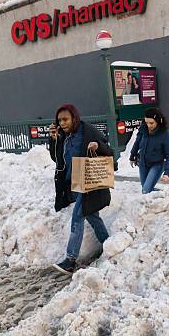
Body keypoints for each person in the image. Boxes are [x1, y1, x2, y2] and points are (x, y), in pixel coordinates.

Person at [49, 104, 113, 275]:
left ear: (74, 118)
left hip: (89, 182)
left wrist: (97, 146)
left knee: (77, 217)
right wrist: (54, 140)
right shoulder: (63, 135)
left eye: (65, 119)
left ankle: (70, 260)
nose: (62, 123)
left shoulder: (88, 131)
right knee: (92, 216)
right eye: (59, 120)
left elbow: (109, 151)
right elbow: (57, 159)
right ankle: (108, 243)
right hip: (75, 184)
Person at [129, 107, 169, 194]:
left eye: (151, 123)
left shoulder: (165, 133)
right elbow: (137, 143)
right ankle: (165, 194)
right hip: (143, 164)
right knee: (146, 189)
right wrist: (132, 156)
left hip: (157, 165)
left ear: (158, 121)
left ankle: (166, 195)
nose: (148, 125)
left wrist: (167, 172)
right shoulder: (143, 129)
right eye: (146, 122)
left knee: (146, 190)